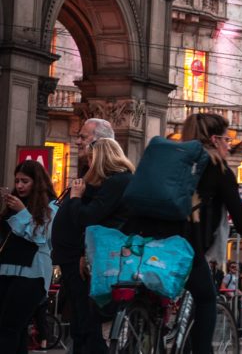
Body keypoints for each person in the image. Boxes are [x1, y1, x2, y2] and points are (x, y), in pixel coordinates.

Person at [128, 113, 242, 354]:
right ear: (215, 139)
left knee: (151, 296)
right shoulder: (218, 168)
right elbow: (240, 217)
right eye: (227, 140)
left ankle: (139, 334)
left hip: (146, 239)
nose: (229, 146)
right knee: (206, 298)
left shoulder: (170, 161)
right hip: (186, 247)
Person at [59, 137, 134, 354]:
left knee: (90, 320)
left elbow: (89, 217)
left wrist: (75, 198)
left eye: (92, 160)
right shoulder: (121, 181)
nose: (89, 165)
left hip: (104, 257)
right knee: (87, 319)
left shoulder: (116, 183)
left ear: (101, 158)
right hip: (100, 254)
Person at [49, 118, 114, 354]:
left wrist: (85, 253)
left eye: (83, 137)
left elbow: (92, 219)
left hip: (81, 264)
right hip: (70, 262)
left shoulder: (103, 177)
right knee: (79, 325)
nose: (78, 142)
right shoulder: (89, 173)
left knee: (87, 327)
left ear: (100, 142)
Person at [0, 160, 59, 354]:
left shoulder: (51, 205)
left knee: (9, 327)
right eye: (17, 181)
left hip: (32, 273)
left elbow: (42, 235)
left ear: (37, 182)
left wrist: (22, 212)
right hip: (6, 268)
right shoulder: (13, 203)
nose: (19, 186)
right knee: (16, 328)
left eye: (25, 181)